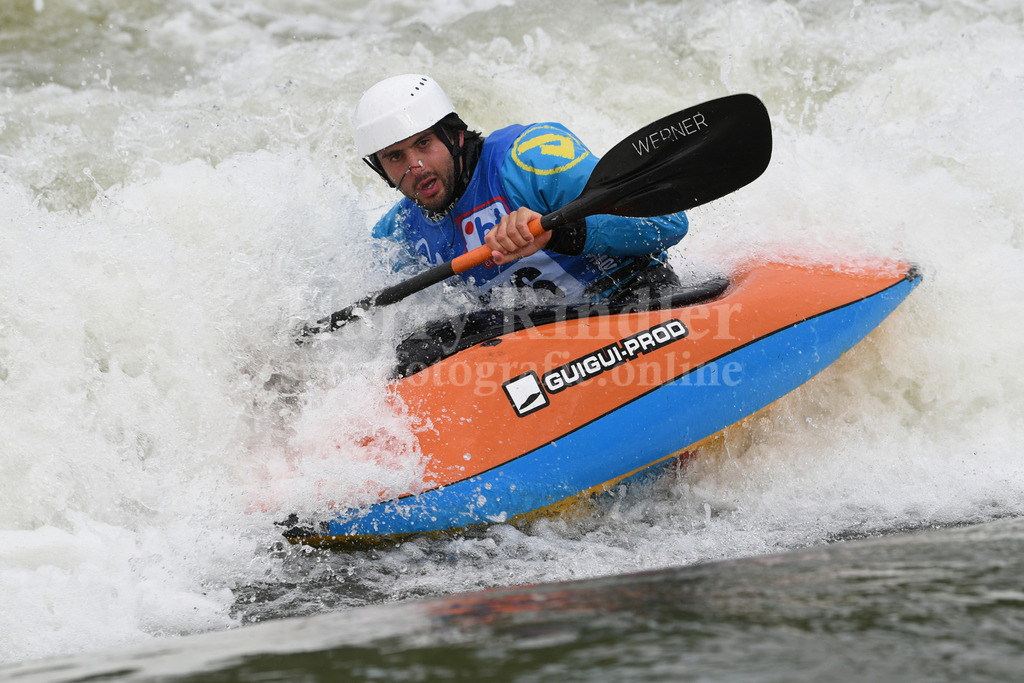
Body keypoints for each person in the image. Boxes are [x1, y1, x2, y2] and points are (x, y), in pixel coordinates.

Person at [354, 74, 689, 307]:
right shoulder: (397, 234)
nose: (415, 166)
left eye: (424, 143)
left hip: (629, 299)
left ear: (454, 134)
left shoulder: (533, 157)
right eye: (395, 157)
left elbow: (669, 222)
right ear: (382, 171)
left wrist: (557, 233)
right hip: (533, 339)